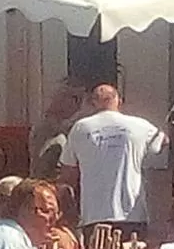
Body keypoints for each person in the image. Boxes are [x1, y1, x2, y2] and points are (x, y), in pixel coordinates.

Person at [59, 84, 166, 239]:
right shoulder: (140, 125)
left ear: (93, 103)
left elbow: (68, 170)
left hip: (94, 216)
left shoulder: (80, 128)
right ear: (119, 101)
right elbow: (163, 142)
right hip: (133, 215)